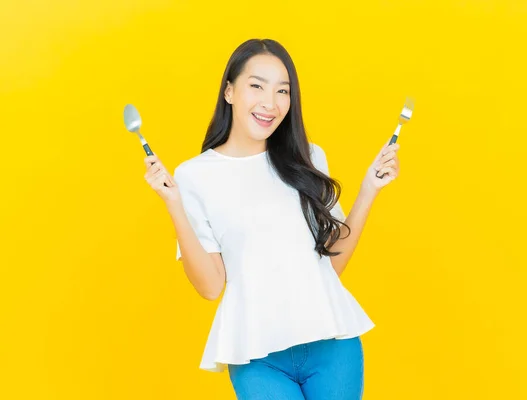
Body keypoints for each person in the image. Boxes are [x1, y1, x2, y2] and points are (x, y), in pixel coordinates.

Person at [143, 38, 400, 399]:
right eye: (257, 86)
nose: (270, 102)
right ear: (229, 91)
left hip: (333, 345)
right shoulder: (194, 176)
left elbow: (330, 266)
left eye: (283, 91)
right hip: (256, 354)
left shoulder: (308, 158)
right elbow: (211, 287)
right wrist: (173, 203)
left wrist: (369, 189)